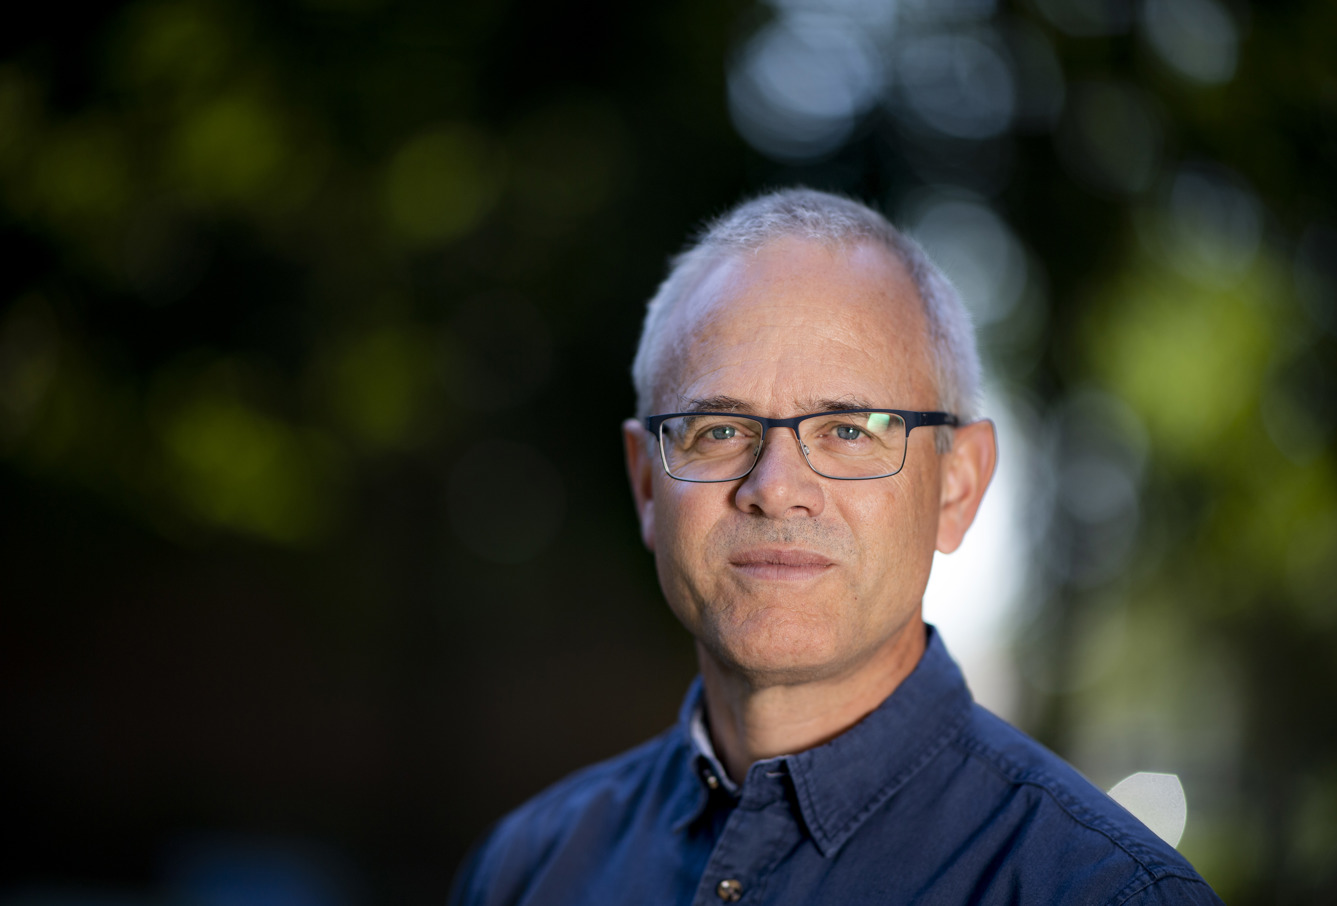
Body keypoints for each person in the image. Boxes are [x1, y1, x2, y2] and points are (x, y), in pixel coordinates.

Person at [451, 189, 1223, 905]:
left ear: (955, 488)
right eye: (719, 430)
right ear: (647, 485)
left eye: (851, 430)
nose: (776, 487)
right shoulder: (524, 873)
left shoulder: (1108, 894)